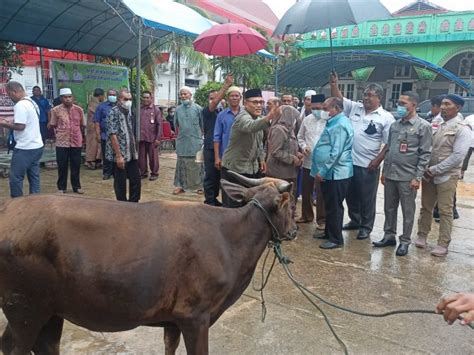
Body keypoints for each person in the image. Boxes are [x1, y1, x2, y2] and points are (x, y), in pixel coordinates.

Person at [330, 72, 395, 240]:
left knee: (366, 197)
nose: (366, 98)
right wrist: (334, 84)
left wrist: (378, 160)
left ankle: (366, 226)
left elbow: (389, 143)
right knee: (350, 194)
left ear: (379, 98)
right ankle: (355, 220)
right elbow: (339, 99)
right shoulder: (355, 108)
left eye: (370, 95)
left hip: (368, 165)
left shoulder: (386, 117)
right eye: (365, 94)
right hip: (348, 162)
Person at [374, 92, 432, 256]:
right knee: (389, 208)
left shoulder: (423, 126)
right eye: (398, 103)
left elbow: (425, 154)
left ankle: (405, 241)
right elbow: (389, 149)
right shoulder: (395, 125)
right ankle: (389, 235)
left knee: (407, 211)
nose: (399, 106)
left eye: (403, 103)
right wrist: (384, 172)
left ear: (414, 105)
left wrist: (417, 177)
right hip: (391, 174)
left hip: (408, 177)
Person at [414, 94, 470, 257]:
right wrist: (426, 168)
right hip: (429, 173)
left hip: (446, 176)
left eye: (448, 104)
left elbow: (458, 156)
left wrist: (435, 170)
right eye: (443, 104)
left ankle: (443, 243)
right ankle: (422, 235)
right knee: (426, 207)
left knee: (445, 211)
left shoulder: (462, 128)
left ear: (457, 108)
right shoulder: (437, 124)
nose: (443, 107)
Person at [221, 88, 280, 207]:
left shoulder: (258, 119)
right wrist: (269, 116)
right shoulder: (242, 117)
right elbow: (250, 126)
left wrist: (261, 159)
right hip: (234, 169)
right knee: (232, 207)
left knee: (248, 206)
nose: (259, 105)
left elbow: (259, 143)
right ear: (245, 103)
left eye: (261, 102)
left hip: (251, 169)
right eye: (255, 102)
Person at [311, 97, 354, 249]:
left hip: (336, 172)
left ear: (335, 108)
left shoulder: (340, 124)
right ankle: (329, 232)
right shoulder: (335, 121)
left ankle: (336, 239)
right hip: (331, 173)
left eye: (325, 108)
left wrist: (322, 171)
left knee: (335, 206)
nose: (323, 111)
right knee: (329, 205)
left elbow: (336, 152)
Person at [0, 81, 44, 198]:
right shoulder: (32, 102)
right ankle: (35, 201)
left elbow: (20, 126)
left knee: (16, 177)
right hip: (36, 145)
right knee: (34, 176)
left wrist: (3, 124)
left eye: (10, 95)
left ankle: (17, 203)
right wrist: (10, 122)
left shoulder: (20, 105)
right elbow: (26, 122)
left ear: (14, 92)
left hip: (25, 147)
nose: (10, 98)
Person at [202, 74, 234, 206]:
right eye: (212, 98)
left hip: (226, 148)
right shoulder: (207, 112)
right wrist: (226, 85)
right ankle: (210, 201)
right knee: (211, 176)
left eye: (219, 97)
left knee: (226, 177)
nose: (215, 100)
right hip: (211, 148)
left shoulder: (228, 113)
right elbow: (214, 103)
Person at [297, 94, 328, 228]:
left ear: (324, 107)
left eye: (318, 108)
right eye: (313, 107)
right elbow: (300, 136)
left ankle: (322, 220)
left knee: (321, 193)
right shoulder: (307, 119)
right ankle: (306, 215)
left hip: (323, 162)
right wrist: (303, 147)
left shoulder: (330, 120)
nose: (315, 110)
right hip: (308, 161)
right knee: (306, 190)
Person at [265, 105, 303, 215]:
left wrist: (297, 153)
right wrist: (292, 158)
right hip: (279, 172)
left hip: (288, 171)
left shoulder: (289, 129)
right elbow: (275, 151)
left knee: (289, 197)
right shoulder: (279, 130)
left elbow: (289, 147)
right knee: (280, 199)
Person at [106, 89, 141, 202]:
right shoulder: (114, 112)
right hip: (120, 154)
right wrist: (118, 155)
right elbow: (112, 134)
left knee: (136, 179)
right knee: (120, 182)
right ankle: (122, 205)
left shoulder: (130, 111)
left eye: (130, 99)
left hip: (131, 153)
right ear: (119, 99)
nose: (128, 102)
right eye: (126, 99)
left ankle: (133, 203)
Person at [50, 88, 85, 194]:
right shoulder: (55, 110)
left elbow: (83, 125)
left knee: (76, 165)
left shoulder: (79, 110)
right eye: (65, 97)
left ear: (72, 97)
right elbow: (53, 124)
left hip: (76, 141)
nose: (68, 99)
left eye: (70, 97)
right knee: (62, 165)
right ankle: (61, 187)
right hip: (62, 142)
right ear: (61, 98)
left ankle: (76, 186)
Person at [173, 86, 204, 195]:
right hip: (182, 141)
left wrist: (201, 137)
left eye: (185, 94)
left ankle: (200, 186)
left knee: (198, 164)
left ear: (191, 95)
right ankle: (180, 186)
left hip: (196, 141)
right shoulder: (177, 110)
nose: (183, 96)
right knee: (181, 164)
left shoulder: (198, 109)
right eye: (181, 94)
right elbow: (175, 126)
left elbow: (203, 125)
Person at [138, 90, 162, 181]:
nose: (145, 99)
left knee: (153, 158)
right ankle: (143, 173)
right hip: (141, 138)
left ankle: (154, 173)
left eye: (147, 97)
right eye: (144, 97)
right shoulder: (139, 109)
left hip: (152, 138)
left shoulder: (156, 110)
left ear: (151, 98)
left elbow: (160, 125)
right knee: (141, 158)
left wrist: (158, 138)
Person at [94, 89, 117, 180]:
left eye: (114, 94)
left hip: (117, 136)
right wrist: (97, 134)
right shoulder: (101, 107)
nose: (112, 96)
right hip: (105, 135)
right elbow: (96, 121)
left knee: (116, 153)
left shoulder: (119, 106)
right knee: (106, 155)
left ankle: (116, 172)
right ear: (107, 96)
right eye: (110, 94)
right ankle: (107, 172)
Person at [85, 88, 104, 170]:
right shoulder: (96, 105)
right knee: (93, 145)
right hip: (94, 127)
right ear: (100, 96)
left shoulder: (92, 103)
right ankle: (90, 161)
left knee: (96, 144)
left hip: (92, 127)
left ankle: (96, 161)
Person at [460, 113, 474, 179]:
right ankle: (461, 174)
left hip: (469, 141)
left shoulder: (468, 118)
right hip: (469, 141)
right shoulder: (469, 118)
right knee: (466, 158)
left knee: (466, 158)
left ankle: (461, 174)